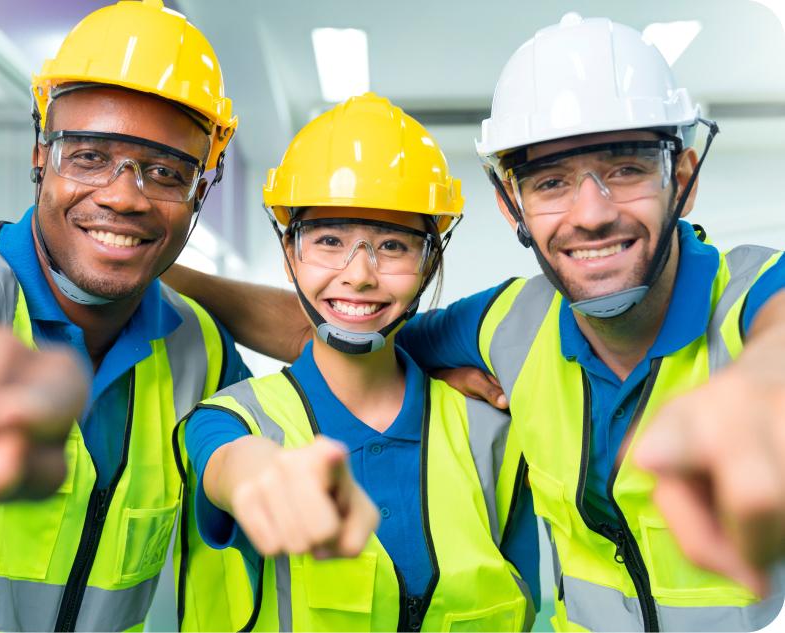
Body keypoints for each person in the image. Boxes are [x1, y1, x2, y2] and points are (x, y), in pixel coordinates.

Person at [165, 14, 785, 633]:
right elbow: (339, 336)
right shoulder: (511, 326)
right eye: (552, 181)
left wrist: (760, 385)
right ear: (511, 204)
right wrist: (156, 268)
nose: (592, 212)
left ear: (682, 178)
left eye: (625, 169)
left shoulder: (748, 295)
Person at [0, 1, 251, 630]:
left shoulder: (203, 353)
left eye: (165, 172)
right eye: (88, 157)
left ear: (201, 193)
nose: (122, 195)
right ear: (40, 155)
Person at [177, 92, 539, 632]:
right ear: (289, 254)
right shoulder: (231, 420)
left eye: (393, 246)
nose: (359, 274)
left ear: (429, 260)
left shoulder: (491, 432)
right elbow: (231, 466)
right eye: (328, 240)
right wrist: (260, 474)